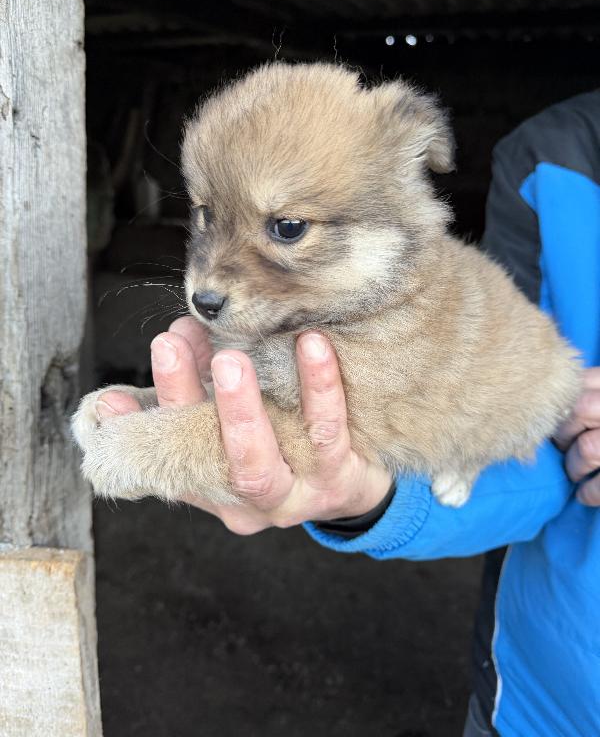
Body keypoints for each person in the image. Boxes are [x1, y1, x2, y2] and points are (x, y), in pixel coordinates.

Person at [96, 90, 600, 736]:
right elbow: (536, 477)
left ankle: (471, 451)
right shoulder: (550, 155)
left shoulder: (408, 302)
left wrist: (164, 445)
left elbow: (319, 429)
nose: (208, 279)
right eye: (205, 215)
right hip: (533, 706)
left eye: (287, 228)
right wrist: (371, 501)